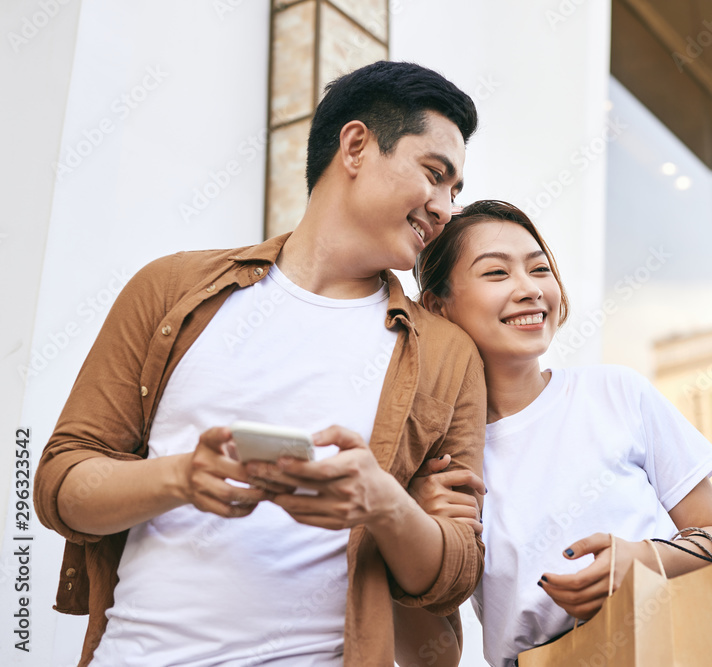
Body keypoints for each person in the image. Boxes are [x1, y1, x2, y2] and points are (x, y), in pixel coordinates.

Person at [34, 61, 488, 667]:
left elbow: (455, 570)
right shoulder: (169, 288)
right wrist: (180, 477)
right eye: (435, 175)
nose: (445, 207)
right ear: (355, 146)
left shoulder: (447, 354)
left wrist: (384, 503)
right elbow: (61, 485)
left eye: (454, 192)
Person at [397, 200, 712, 667]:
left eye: (539, 269)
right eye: (497, 274)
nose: (529, 289)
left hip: (672, 645)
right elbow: (433, 659)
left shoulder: (616, 393)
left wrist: (642, 560)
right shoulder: (439, 466)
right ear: (438, 305)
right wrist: (405, 527)